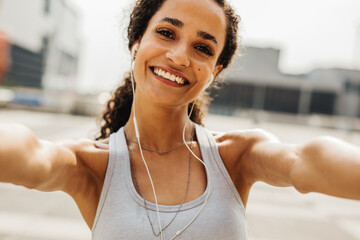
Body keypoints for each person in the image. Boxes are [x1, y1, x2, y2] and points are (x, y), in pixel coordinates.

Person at [0, 0, 359, 239]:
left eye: (202, 48)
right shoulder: (90, 164)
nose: (179, 56)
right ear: (136, 43)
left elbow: (307, 160)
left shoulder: (238, 156)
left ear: (215, 70)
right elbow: (26, 152)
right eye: (167, 33)